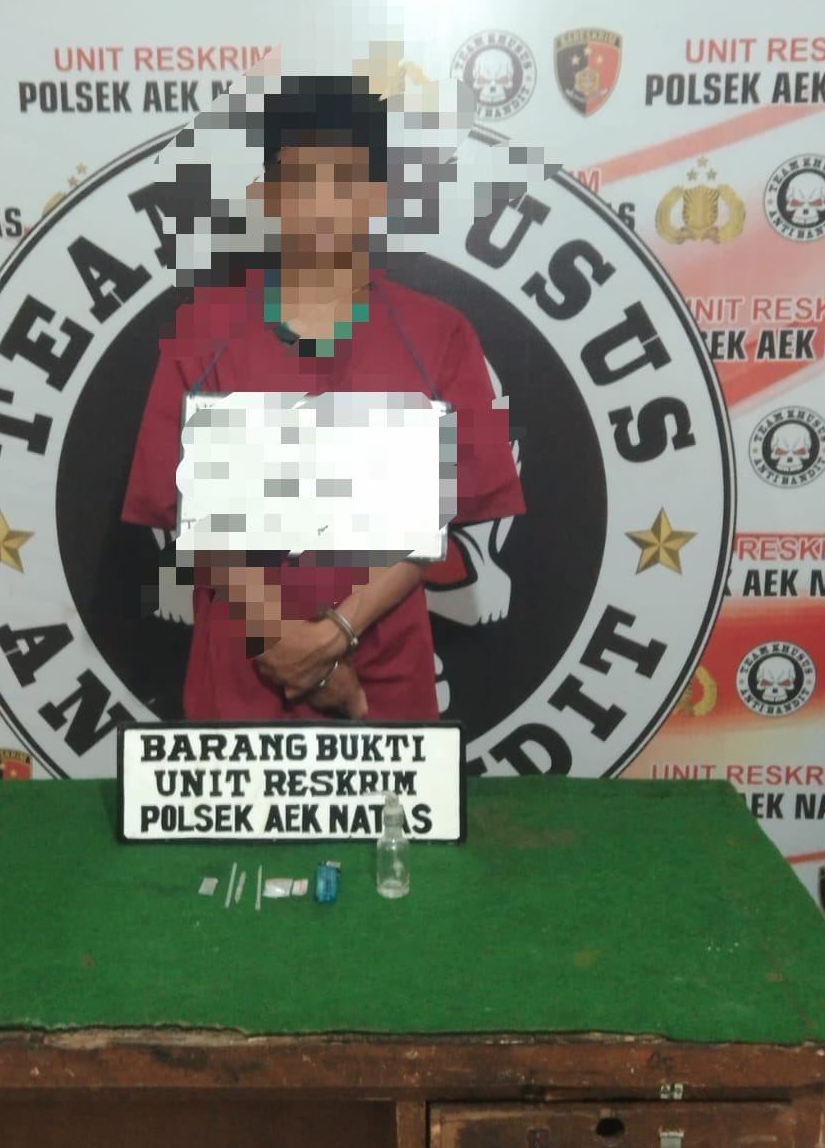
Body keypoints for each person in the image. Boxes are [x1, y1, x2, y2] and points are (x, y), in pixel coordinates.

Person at [122, 75, 524, 721]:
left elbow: (440, 515)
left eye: (346, 180)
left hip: (384, 678)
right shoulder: (204, 335)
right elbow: (190, 510)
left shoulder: (439, 335)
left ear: (380, 195)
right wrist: (282, 642)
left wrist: (337, 635)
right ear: (266, 196)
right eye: (301, 180)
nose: (324, 204)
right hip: (247, 672)